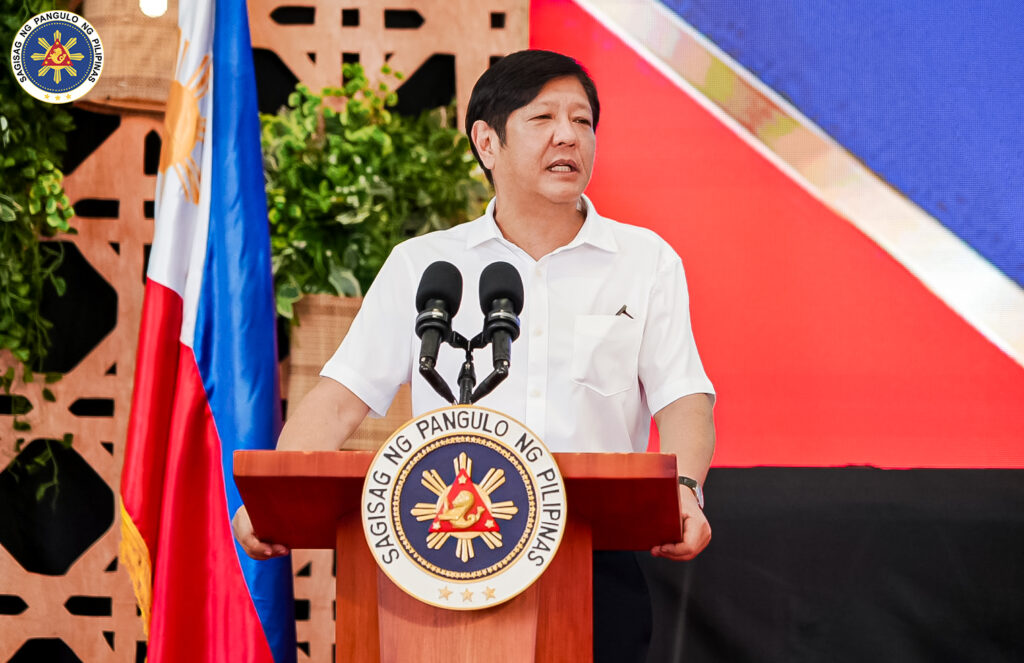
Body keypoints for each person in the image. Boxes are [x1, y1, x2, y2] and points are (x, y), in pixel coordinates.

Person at [233, 48, 715, 658]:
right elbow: (338, 399)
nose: (569, 135)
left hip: (592, 557)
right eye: (543, 119)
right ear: (487, 142)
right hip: (440, 551)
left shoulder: (645, 261)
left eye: (583, 121)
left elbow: (683, 395)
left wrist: (689, 489)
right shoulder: (425, 266)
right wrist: (272, 497)